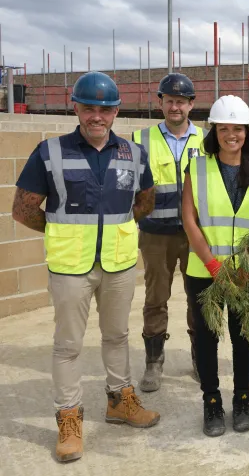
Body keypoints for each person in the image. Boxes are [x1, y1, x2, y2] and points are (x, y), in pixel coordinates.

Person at [12, 71, 161, 463]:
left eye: (105, 109)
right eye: (89, 107)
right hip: (70, 268)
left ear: (115, 112)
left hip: (119, 264)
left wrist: (120, 227)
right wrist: (61, 231)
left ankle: (120, 401)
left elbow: (145, 201)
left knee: (116, 336)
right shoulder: (51, 152)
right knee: (68, 346)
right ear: (75, 107)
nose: (97, 116)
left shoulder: (133, 154)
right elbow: (23, 209)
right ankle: (68, 418)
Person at [182, 95, 249, 437]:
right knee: (206, 339)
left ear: (247, 132)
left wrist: (247, 267)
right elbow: (189, 219)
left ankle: (242, 399)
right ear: (214, 131)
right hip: (204, 271)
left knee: (242, 337)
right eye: (224, 128)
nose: (231, 135)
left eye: (238, 129)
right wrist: (213, 266)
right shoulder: (197, 166)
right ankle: (211, 403)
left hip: (245, 274)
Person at [132, 73, 206, 390]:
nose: (175, 106)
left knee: (199, 298)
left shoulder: (206, 140)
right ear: (160, 101)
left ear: (191, 104)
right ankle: (154, 362)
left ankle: (201, 358)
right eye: (169, 100)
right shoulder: (140, 139)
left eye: (181, 101)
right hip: (155, 234)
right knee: (155, 298)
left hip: (195, 235)